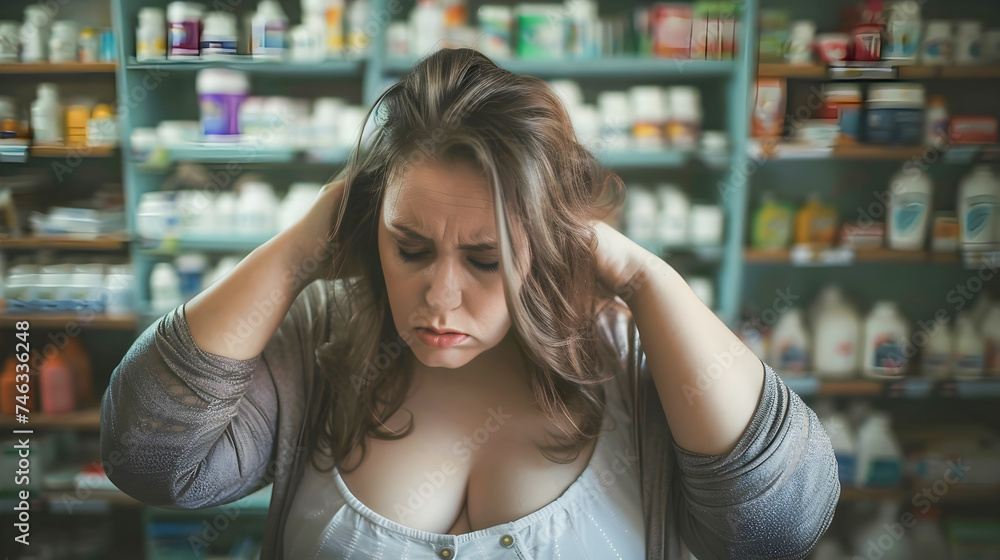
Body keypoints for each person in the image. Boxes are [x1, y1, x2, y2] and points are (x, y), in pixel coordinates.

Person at [100, 48, 839, 559]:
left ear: (550, 245)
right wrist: (301, 247)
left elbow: (779, 529)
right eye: (410, 248)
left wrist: (646, 279)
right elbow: (151, 459)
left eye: (488, 258)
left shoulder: (630, 361)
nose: (440, 298)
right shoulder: (323, 340)